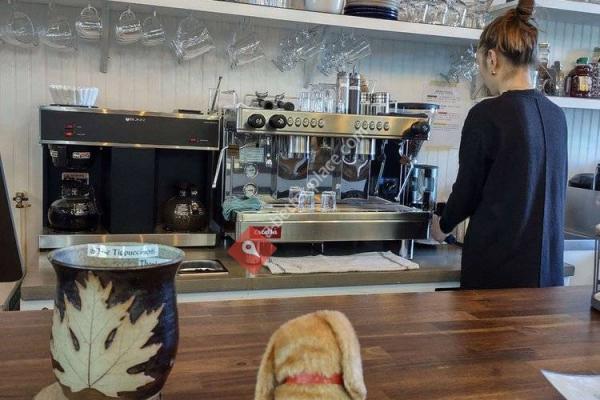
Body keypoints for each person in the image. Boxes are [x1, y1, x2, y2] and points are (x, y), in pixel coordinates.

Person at [436, 0, 568, 289]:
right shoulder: (557, 116)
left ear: (492, 59)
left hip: (497, 276)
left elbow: (467, 191)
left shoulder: (486, 114)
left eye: (480, 64)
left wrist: (441, 225)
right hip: (547, 278)